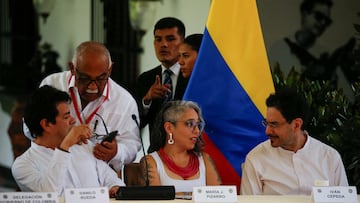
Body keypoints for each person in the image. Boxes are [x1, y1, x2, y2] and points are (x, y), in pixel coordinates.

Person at [30, 41, 140, 172]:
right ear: (72, 68)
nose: (92, 87)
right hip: (50, 169)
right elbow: (28, 126)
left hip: (97, 178)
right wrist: (58, 136)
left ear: (110, 70)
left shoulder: (124, 102)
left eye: (100, 79)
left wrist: (116, 152)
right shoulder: (52, 84)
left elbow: (132, 145)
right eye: (85, 78)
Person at [12, 85, 125, 197]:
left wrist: (114, 187)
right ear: (46, 124)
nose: (73, 120)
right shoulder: (22, 165)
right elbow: (50, 195)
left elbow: (112, 180)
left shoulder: (84, 146)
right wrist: (65, 145)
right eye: (66, 117)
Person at [240, 88, 348, 195]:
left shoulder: (330, 157)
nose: (267, 131)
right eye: (266, 123)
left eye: (274, 124)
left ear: (296, 125)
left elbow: (344, 200)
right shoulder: (255, 159)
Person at [139, 100, 221, 195]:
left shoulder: (205, 160)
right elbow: (155, 200)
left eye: (198, 125)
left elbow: (218, 198)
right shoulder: (150, 162)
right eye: (190, 124)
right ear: (169, 128)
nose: (197, 131)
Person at [135, 17, 188, 136]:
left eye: (170, 39)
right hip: (157, 151)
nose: (163, 44)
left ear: (182, 43)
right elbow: (136, 123)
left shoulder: (192, 76)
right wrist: (147, 100)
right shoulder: (146, 79)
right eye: (158, 39)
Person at [268, 0, 334, 80]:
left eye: (327, 21)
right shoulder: (280, 48)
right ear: (304, 14)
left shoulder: (326, 56)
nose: (323, 23)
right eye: (319, 16)